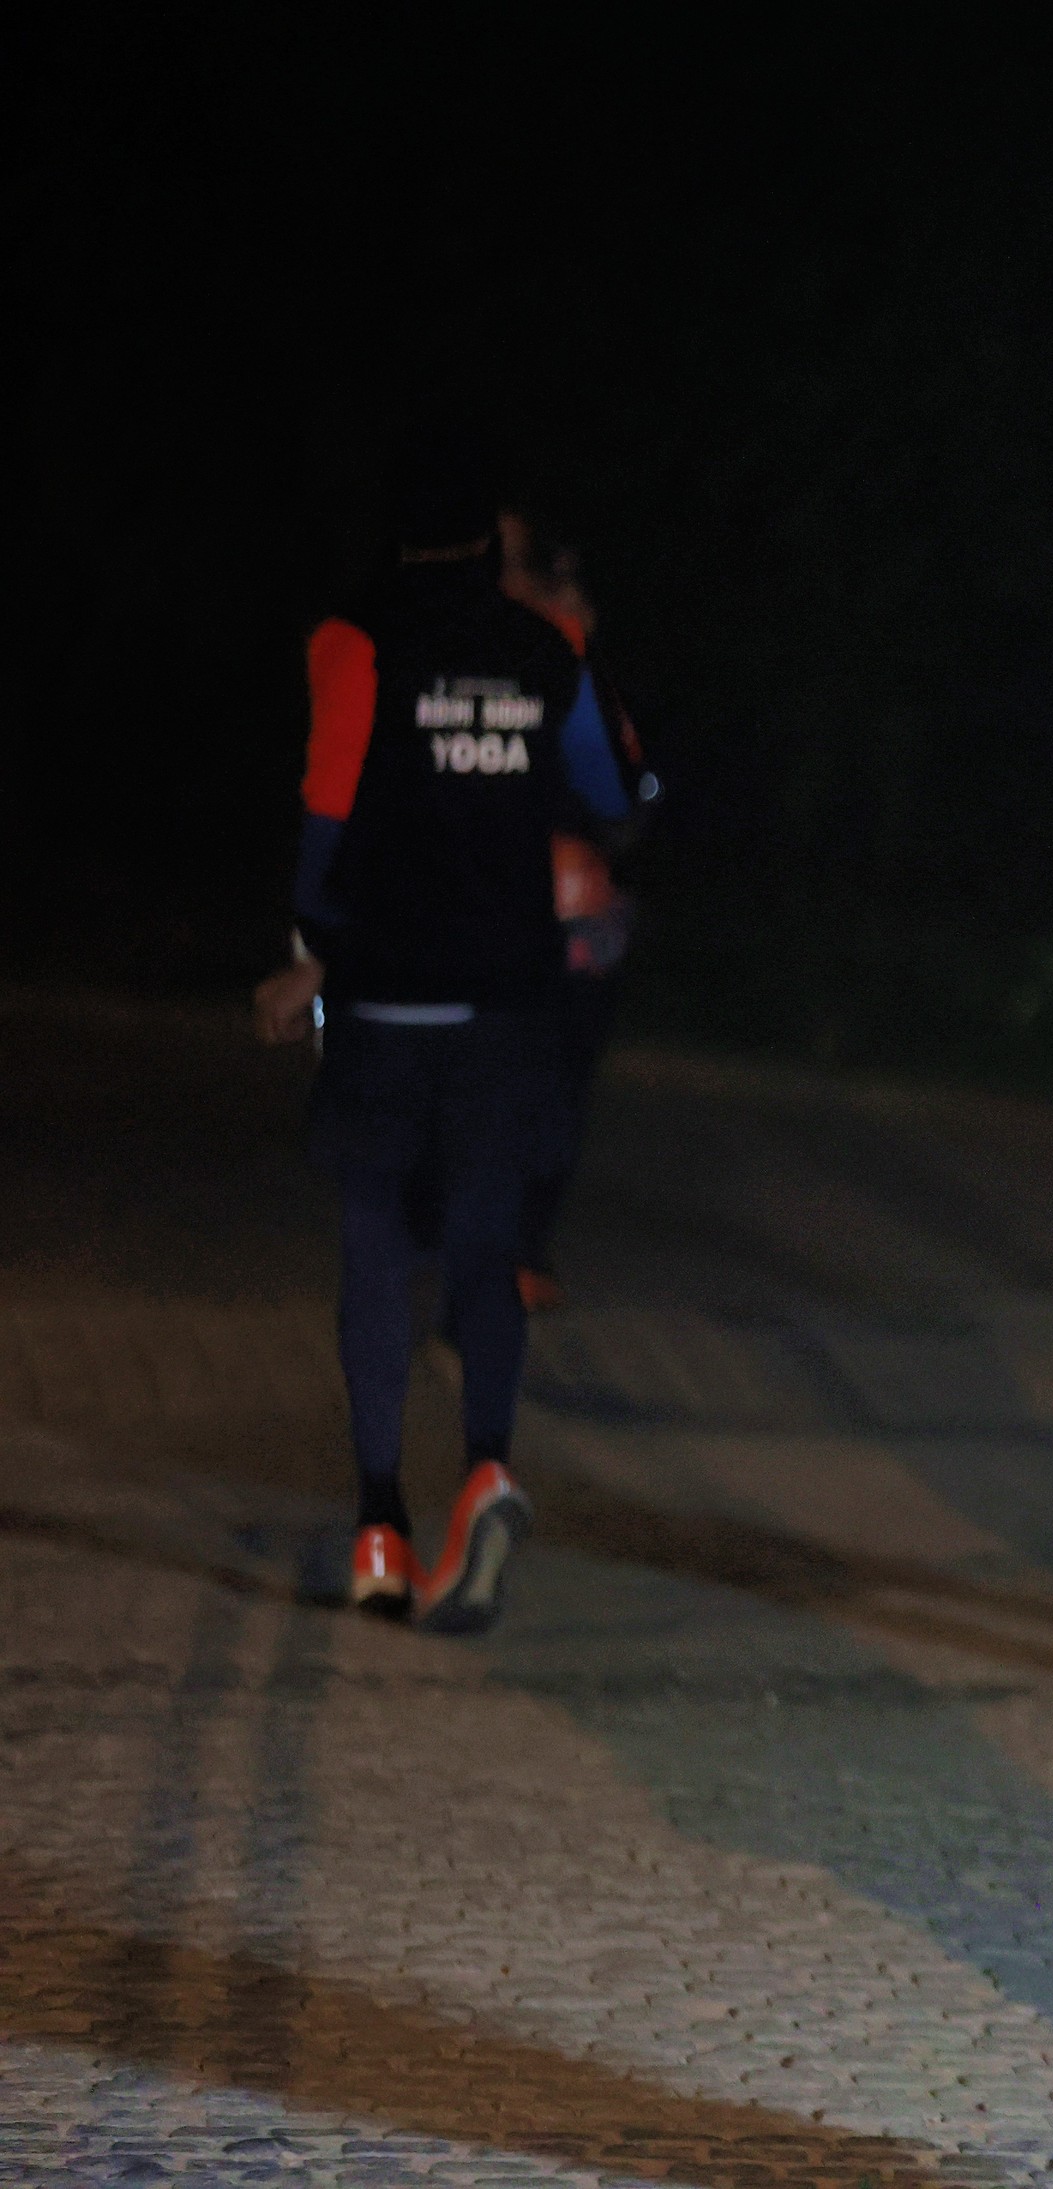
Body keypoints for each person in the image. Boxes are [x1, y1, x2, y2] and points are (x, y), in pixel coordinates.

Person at [252, 437, 631, 1633]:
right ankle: (484, 1469)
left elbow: (326, 810)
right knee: (485, 1240)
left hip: (382, 996)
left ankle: (379, 1525)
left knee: (373, 1242)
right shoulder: (546, 645)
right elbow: (619, 790)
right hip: (508, 996)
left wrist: (316, 946)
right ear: (489, 540)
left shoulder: (353, 637)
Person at [495, 510, 659, 1311]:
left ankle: (519, 1249)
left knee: (552, 1082)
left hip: (567, 917)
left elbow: (623, 796)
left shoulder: (569, 665)